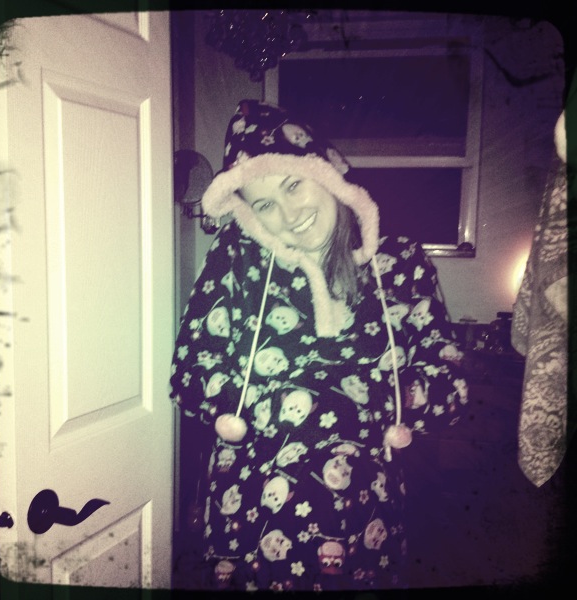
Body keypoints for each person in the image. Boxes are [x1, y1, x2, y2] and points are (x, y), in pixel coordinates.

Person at [170, 99, 469, 592]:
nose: (288, 214)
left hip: (364, 525)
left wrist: (370, 397)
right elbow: (188, 375)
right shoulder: (236, 261)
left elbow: (452, 390)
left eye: (293, 185)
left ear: (326, 174)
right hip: (250, 521)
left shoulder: (402, 264)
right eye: (264, 204)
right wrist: (275, 404)